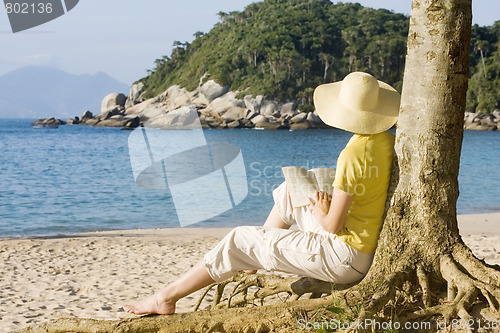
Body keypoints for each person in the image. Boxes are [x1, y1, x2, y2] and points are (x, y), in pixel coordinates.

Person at [123, 71, 400, 315]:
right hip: (357, 247)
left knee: (238, 237)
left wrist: (321, 210)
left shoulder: (353, 154)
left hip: (343, 257)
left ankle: (165, 298)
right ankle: (251, 260)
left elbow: (332, 225)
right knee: (291, 189)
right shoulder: (386, 140)